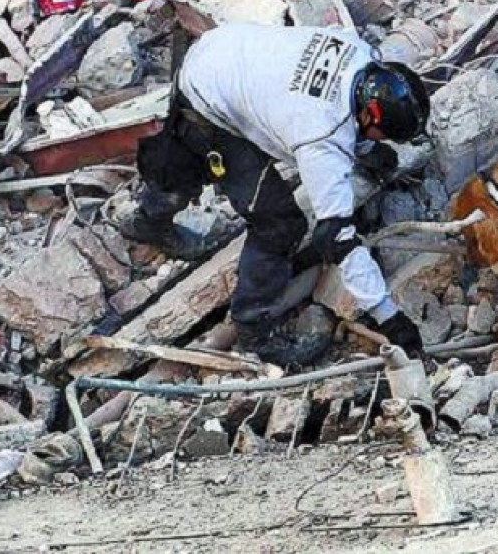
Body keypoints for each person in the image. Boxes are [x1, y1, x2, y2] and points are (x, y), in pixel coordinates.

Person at [119, 21, 430, 368]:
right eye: (381, 134)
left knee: (185, 157)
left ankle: (148, 220)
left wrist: (369, 151)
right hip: (208, 95)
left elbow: (344, 109)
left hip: (221, 50)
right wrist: (389, 316)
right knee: (278, 223)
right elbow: (337, 237)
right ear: (370, 115)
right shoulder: (320, 135)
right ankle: (255, 329)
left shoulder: (358, 52)